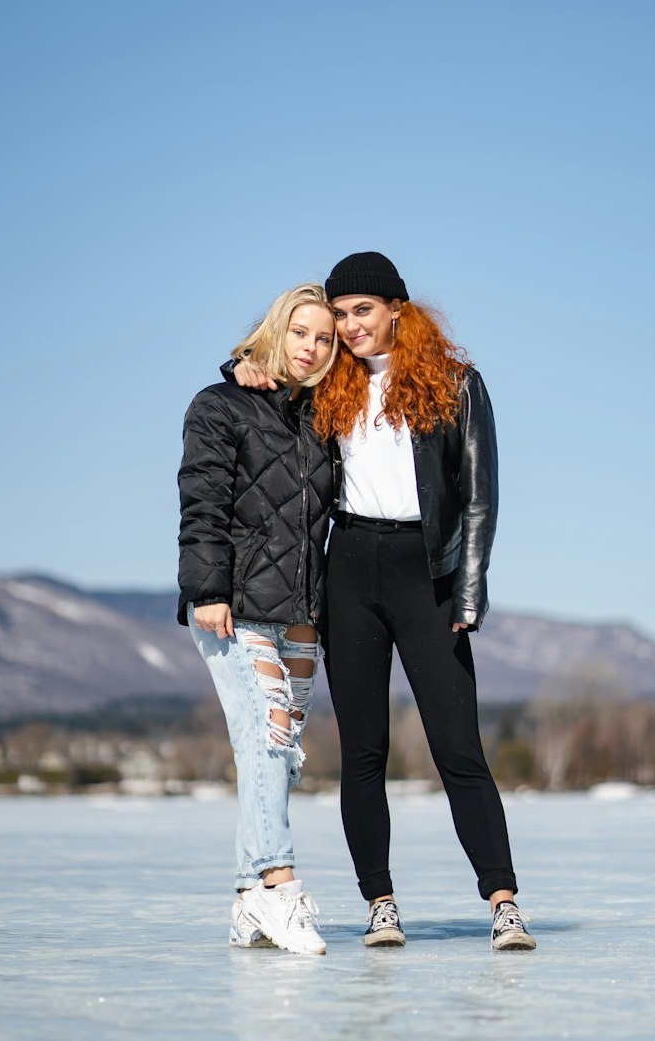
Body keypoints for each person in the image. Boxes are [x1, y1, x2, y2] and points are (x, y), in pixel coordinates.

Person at [234, 252, 535, 952]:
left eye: (361, 310)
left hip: (426, 575)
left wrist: (470, 588)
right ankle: (380, 903)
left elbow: (480, 496)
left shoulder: (455, 385)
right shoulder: (326, 386)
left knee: (459, 748)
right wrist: (241, 366)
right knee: (363, 753)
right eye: (339, 315)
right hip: (351, 573)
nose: (348, 326)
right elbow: (256, 379)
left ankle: (504, 902)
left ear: (396, 308)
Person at [178, 283, 338, 955]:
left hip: (301, 612)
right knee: (269, 742)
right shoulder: (220, 405)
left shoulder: (328, 417)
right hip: (234, 607)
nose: (312, 347)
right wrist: (207, 588)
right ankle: (280, 886)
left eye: (325, 338)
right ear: (277, 331)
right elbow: (203, 501)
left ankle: (248, 900)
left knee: (277, 756)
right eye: (300, 332)